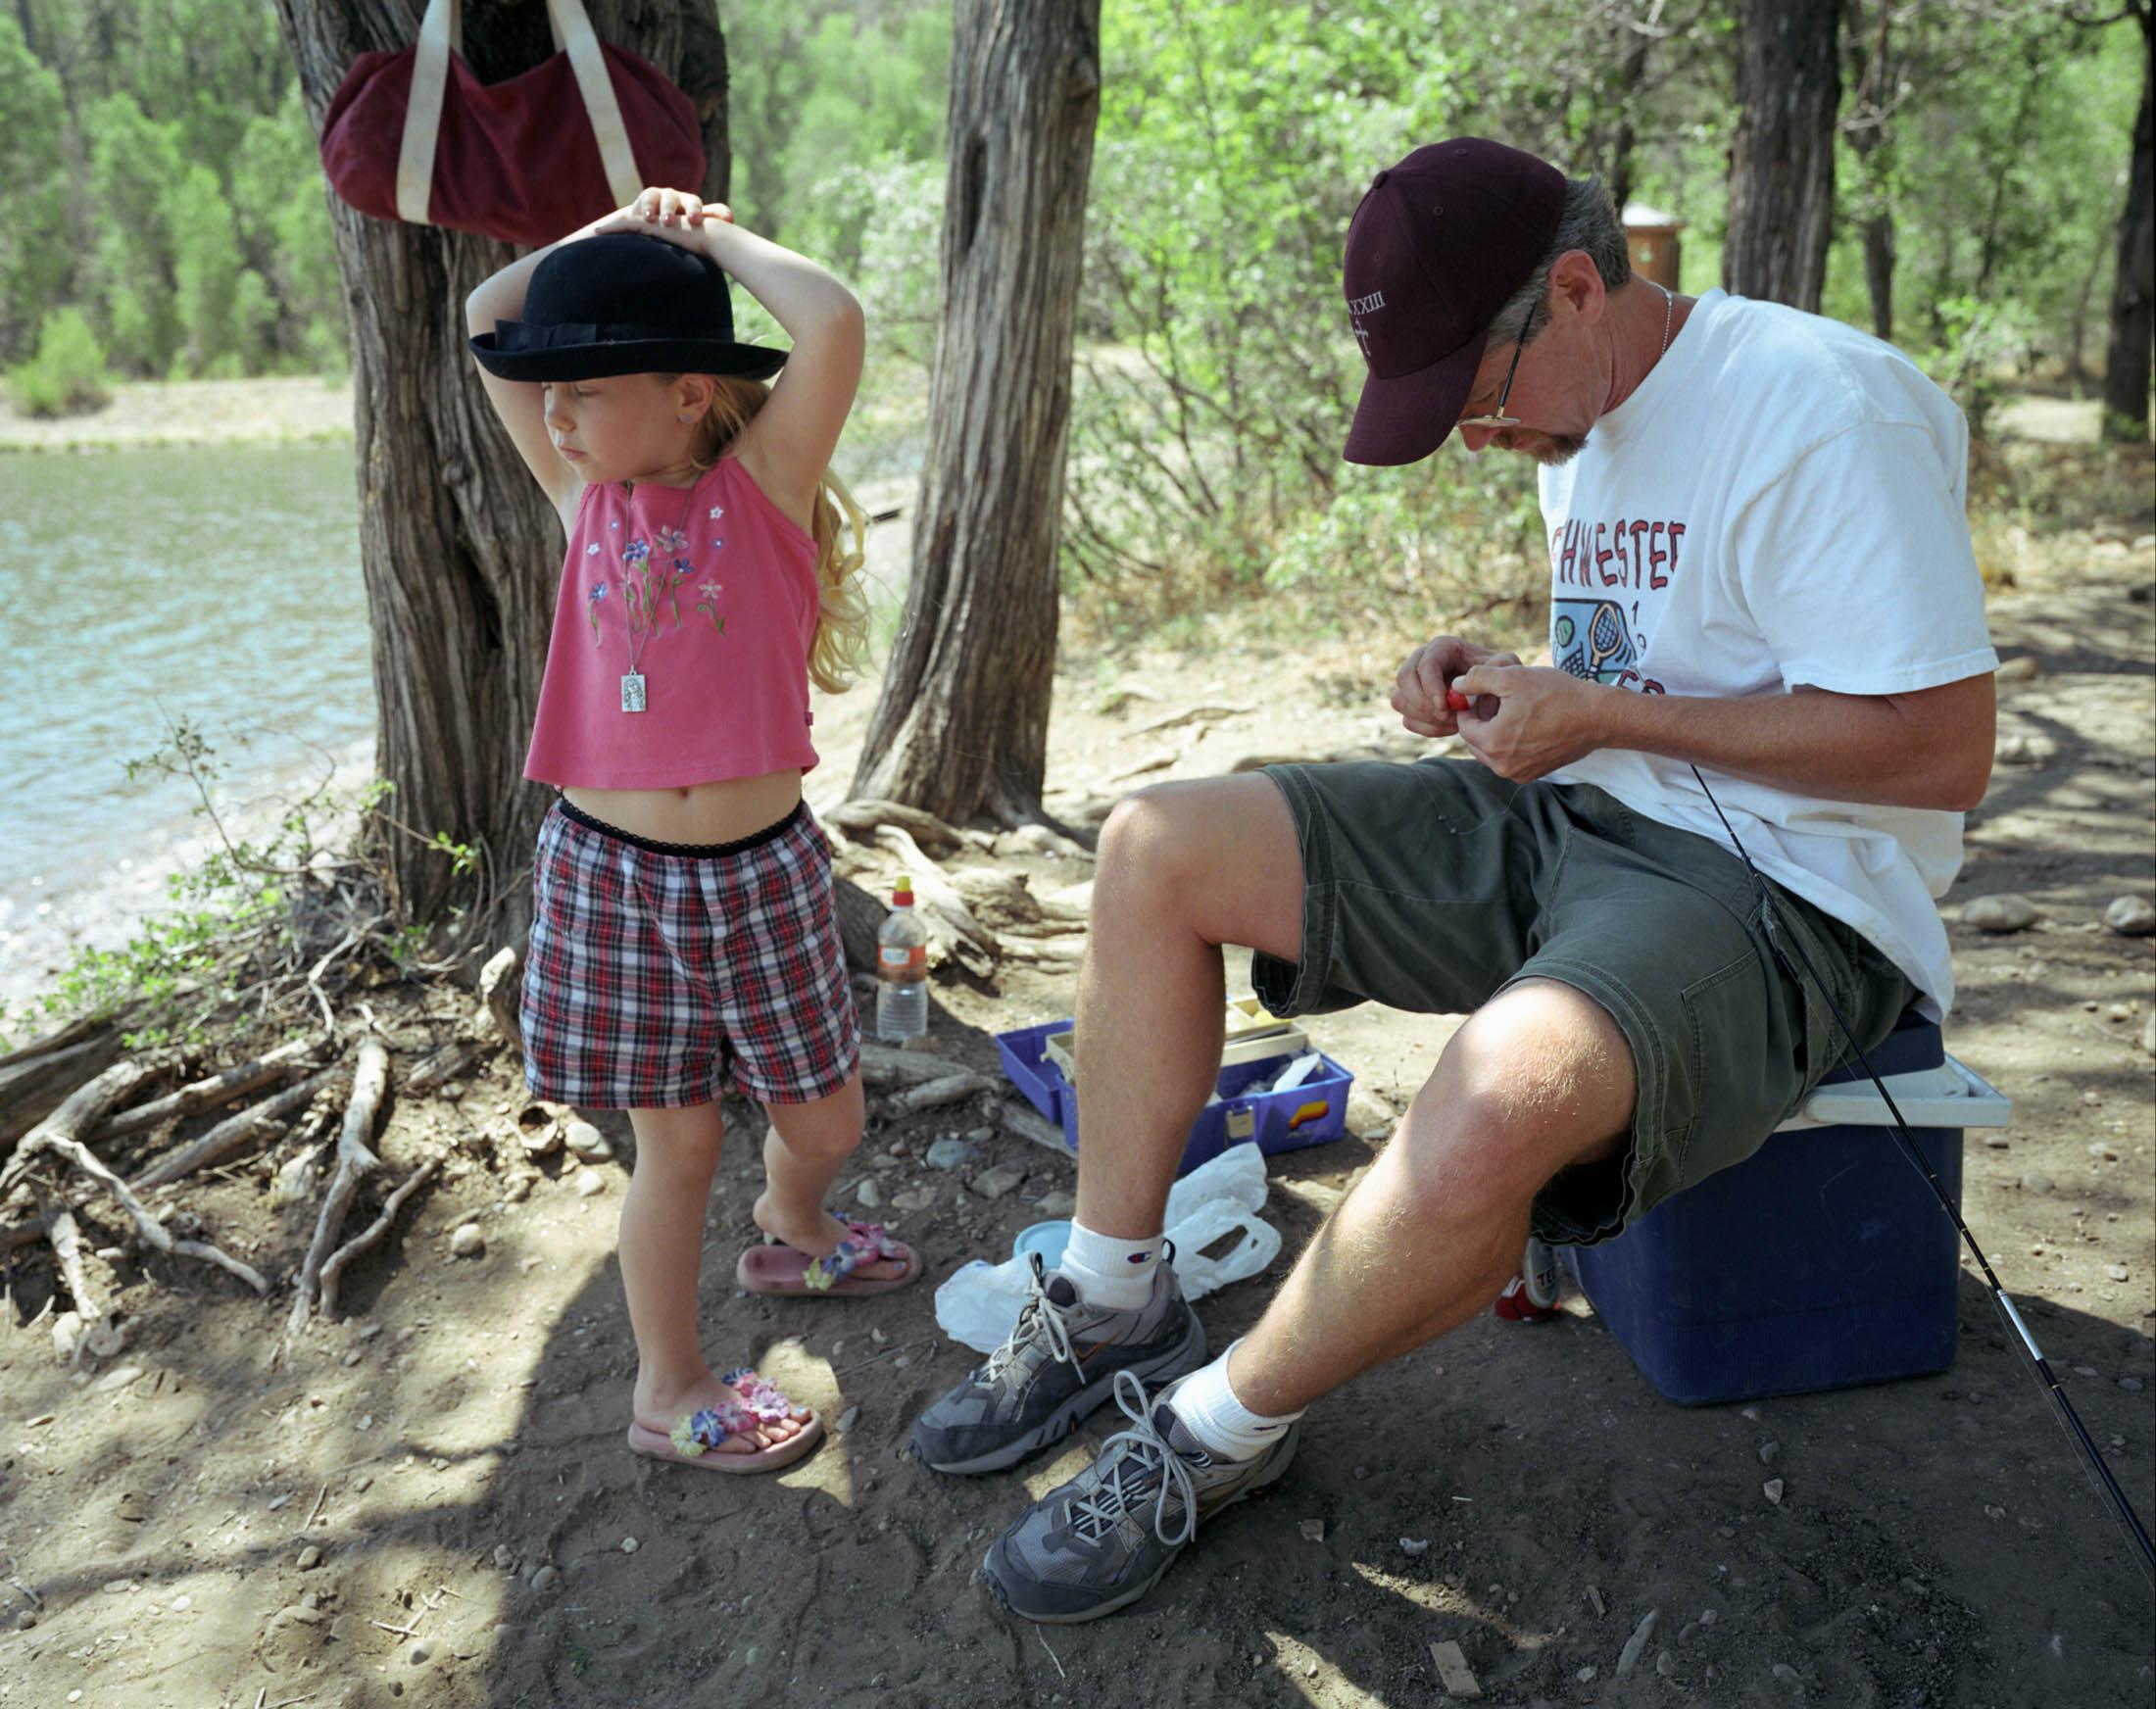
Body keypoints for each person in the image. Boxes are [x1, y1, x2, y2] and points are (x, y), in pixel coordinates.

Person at [911, 137, 1998, 1620]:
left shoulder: (1821, 407)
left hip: (1788, 895)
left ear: (1573, 288)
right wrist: (1510, 674)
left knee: (1495, 1092)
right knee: (1152, 845)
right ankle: (1112, 1293)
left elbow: (1941, 751)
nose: (1481, 441)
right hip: (1580, 815)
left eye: (1481, 403)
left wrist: (1604, 711)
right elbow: (1661, 660)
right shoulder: (1588, 406)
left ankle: (1220, 1429)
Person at [467, 187, 918, 1476]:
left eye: (587, 387)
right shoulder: (575, 490)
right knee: (679, 1141)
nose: (555, 411)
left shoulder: (767, 488)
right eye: (549, 393)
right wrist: (607, 232)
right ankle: (668, 1389)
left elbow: (829, 319)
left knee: (824, 1119)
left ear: (687, 391)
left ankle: (796, 1222)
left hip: (763, 870)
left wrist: (703, 237)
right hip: (612, 876)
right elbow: (484, 314)